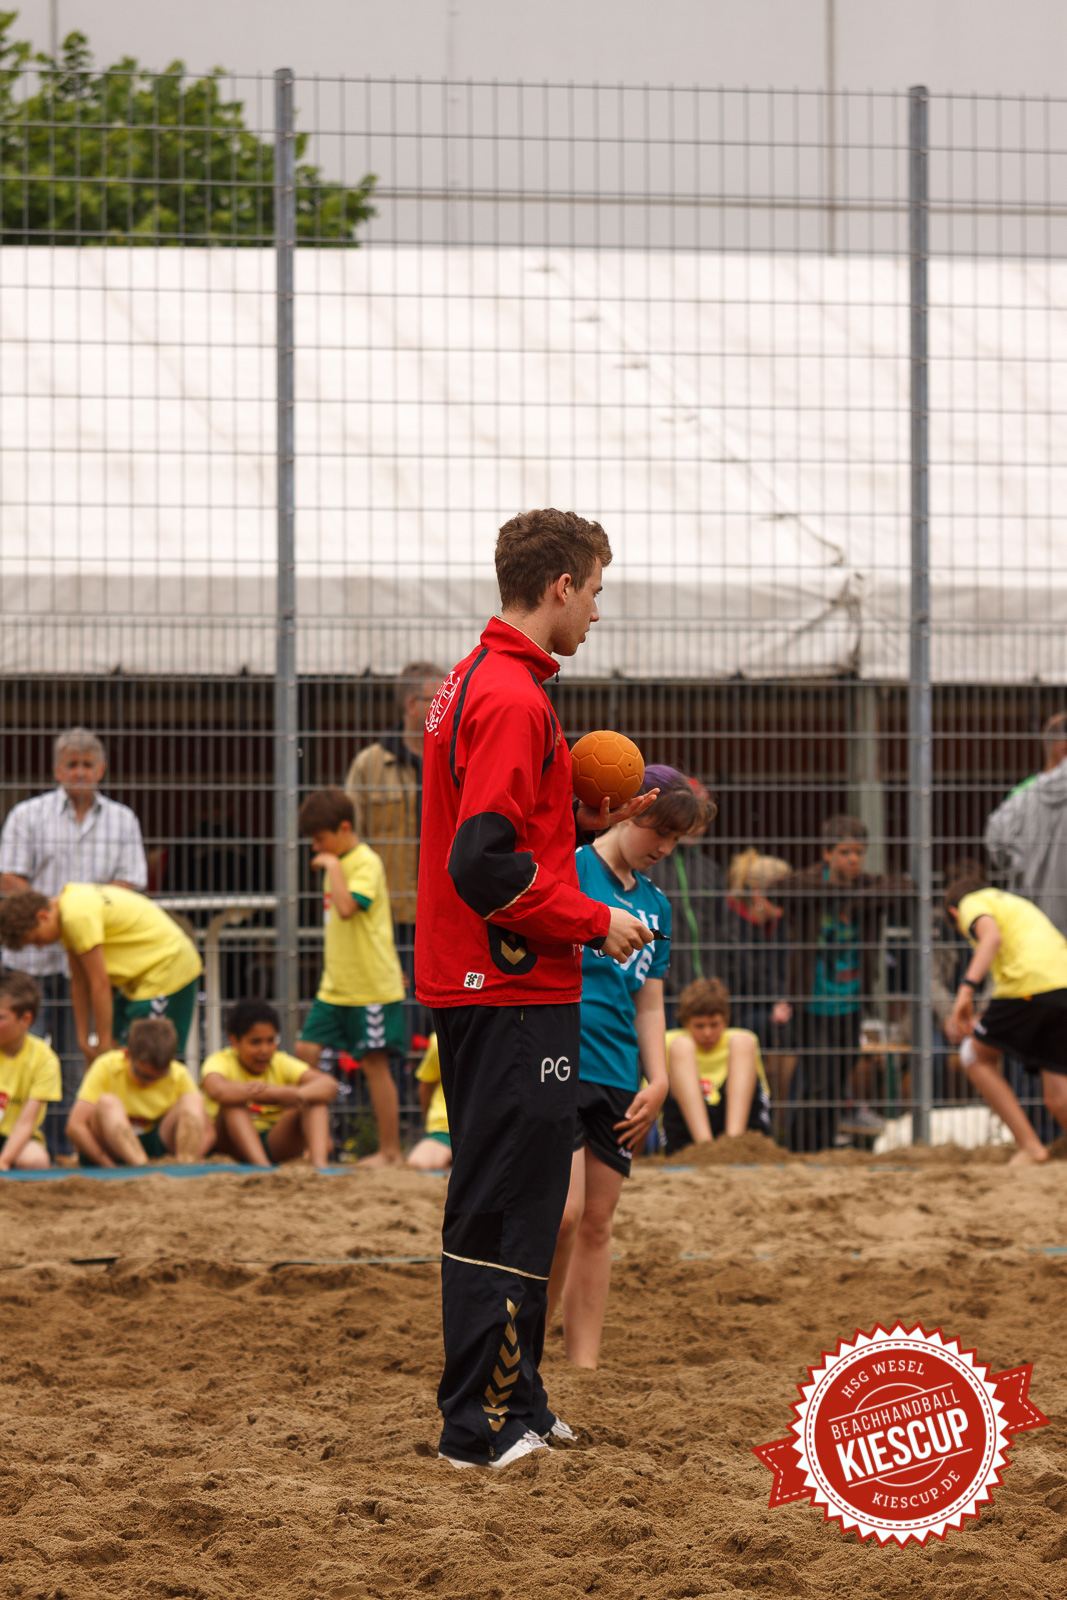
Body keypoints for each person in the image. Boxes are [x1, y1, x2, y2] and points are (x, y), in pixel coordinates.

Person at [416, 507, 656, 1470]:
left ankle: (518, 1401)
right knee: (508, 1200)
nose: (598, 609)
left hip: (482, 982)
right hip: (506, 988)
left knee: (516, 1193)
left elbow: (497, 833)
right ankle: (476, 1427)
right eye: (595, 589)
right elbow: (484, 863)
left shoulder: (471, 680)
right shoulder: (514, 697)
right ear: (560, 587)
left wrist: (576, 810)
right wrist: (591, 919)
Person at [548, 779, 709, 1368]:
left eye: (677, 838)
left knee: (597, 1222)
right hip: (560, 1059)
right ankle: (528, 1351)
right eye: (659, 830)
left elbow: (650, 1001)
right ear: (627, 813)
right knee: (562, 1216)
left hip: (618, 1071)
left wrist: (659, 1078)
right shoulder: (567, 867)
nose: (666, 847)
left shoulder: (656, 905)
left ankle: (583, 1366)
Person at [0, 727, 147, 1148]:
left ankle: (65, 1146)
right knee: (19, 1050)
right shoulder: (27, 815)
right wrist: (53, 916)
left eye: (87, 765)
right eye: (72, 765)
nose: (80, 773)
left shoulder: (123, 819)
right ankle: (19, 1139)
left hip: (87, 957)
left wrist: (78, 913)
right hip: (31, 961)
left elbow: (130, 884)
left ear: (101, 769)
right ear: (56, 769)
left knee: (75, 1054)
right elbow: (10, 877)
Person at [777, 815, 911, 1152]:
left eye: (859, 852)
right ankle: (799, 1149)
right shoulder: (808, 882)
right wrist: (841, 894)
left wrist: (855, 900)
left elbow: (905, 887)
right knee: (817, 1082)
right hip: (811, 1002)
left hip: (851, 1001)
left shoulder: (865, 883)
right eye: (845, 852)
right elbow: (778, 889)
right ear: (827, 853)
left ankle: (822, 1147)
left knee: (838, 1083)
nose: (853, 859)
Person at [294, 788, 404, 1167]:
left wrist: (333, 867)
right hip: (336, 987)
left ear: (344, 829)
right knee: (305, 1052)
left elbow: (345, 909)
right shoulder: (338, 860)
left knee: (375, 1065)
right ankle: (316, 1143)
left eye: (320, 839)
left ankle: (389, 1151)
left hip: (370, 988)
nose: (316, 847)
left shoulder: (363, 863)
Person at [345, 661, 446, 1033]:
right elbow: (349, 841)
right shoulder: (370, 766)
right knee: (395, 1015)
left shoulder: (455, 755)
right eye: (436, 699)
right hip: (390, 915)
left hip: (447, 910)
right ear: (410, 705)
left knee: (442, 1010)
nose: (445, 708)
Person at [0, 883, 202, 1067]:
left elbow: (99, 984)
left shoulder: (77, 917)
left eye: (36, 939)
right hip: (140, 981)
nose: (40, 946)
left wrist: (103, 1048)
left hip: (168, 970)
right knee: (122, 1056)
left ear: (42, 916)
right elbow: (79, 983)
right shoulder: (69, 907)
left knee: (150, 1058)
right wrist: (83, 1039)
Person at [943, 874, 1067, 1165]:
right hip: (1062, 988)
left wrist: (965, 990)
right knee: (1058, 1091)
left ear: (954, 914)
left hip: (1029, 985)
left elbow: (992, 938)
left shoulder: (971, 903)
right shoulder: (1011, 903)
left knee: (973, 1054)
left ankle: (1031, 1147)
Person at [200, 999, 337, 1167]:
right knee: (232, 1104)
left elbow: (329, 1085)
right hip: (229, 1145)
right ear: (235, 1041)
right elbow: (217, 1090)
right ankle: (263, 1169)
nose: (264, 1050)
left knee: (313, 1101)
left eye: (271, 1041)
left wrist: (295, 1095)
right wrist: (271, 1094)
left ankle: (320, 1167)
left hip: (275, 1141)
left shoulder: (280, 1061)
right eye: (255, 1042)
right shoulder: (220, 1060)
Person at [66, 1017, 212, 1167]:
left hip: (157, 1144)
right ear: (127, 1054)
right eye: (143, 1075)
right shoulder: (107, 1065)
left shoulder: (177, 1073)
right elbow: (75, 1126)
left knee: (194, 1099)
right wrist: (106, 1163)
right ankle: (140, 1166)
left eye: (159, 1077)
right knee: (108, 1103)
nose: (149, 1083)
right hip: (112, 1147)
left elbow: (208, 1132)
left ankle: (185, 1166)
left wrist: (193, 1156)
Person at [646, 770, 725, 1015]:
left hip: (707, 992)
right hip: (663, 991)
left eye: (702, 820)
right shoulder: (649, 864)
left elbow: (724, 928)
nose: (698, 828)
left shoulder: (710, 870)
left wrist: (723, 979)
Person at [661, 977, 772, 1153]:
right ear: (685, 1022)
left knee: (743, 1041)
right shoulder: (672, 1042)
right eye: (699, 1026)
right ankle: (706, 1149)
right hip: (686, 1132)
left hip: (739, 1125)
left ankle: (732, 1144)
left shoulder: (742, 1040)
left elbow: (763, 1095)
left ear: (726, 1020)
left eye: (714, 1025)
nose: (707, 1033)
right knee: (681, 1047)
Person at [985, 710, 1067, 938]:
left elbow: (996, 843)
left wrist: (1022, 865)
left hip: (1032, 926)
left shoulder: (1022, 795)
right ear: (1064, 750)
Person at [722, 848, 793, 1047]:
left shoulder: (780, 925)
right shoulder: (731, 925)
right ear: (757, 895)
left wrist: (781, 1003)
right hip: (740, 1016)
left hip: (774, 1012)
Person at [0, 972, 61, 1172]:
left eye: (1, 1017)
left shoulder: (45, 1059)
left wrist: (3, 1161)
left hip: (17, 1138)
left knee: (36, 1160)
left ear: (26, 1019)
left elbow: (26, 1123)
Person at [406, 1033, 452, 1171]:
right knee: (417, 1164)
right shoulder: (440, 1039)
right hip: (445, 1128)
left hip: (496, 1128)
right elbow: (425, 1087)